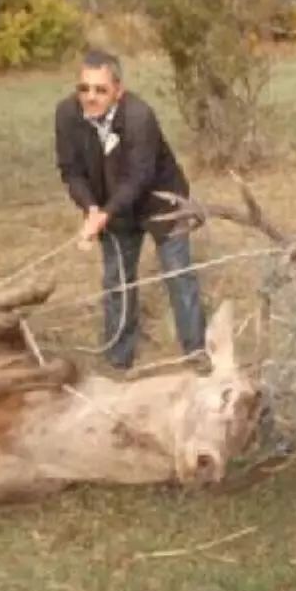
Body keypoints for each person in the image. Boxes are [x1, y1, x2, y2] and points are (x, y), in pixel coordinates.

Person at [54, 48, 207, 370]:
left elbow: (139, 177)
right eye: (84, 88)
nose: (90, 97)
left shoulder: (139, 117)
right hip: (112, 204)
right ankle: (119, 359)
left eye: (100, 89)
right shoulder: (66, 114)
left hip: (160, 200)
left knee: (178, 275)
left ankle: (196, 352)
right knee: (117, 280)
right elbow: (71, 171)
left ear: (118, 90)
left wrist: (103, 214)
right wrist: (91, 208)